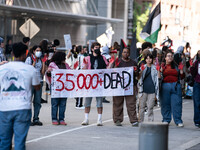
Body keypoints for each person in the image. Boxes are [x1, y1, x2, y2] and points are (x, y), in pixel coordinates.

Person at [0, 42, 40, 150]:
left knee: (4, 142)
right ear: (25, 54)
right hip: (22, 108)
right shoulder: (30, 69)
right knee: (19, 143)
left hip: (4, 108)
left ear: (12, 53)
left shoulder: (2, 69)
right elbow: (37, 86)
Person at [81, 42, 109, 126]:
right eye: (96, 47)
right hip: (89, 83)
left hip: (99, 82)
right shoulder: (87, 58)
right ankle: (86, 119)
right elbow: (83, 69)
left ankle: (99, 119)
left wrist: (111, 64)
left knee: (99, 102)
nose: (97, 49)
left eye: (98, 47)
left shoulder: (103, 58)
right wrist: (85, 65)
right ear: (92, 49)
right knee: (87, 102)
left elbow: (107, 68)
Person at [113, 47, 139, 127]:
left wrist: (136, 71)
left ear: (129, 53)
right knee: (117, 103)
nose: (126, 54)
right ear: (122, 53)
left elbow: (137, 74)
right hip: (119, 86)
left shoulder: (133, 62)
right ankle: (117, 119)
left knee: (131, 104)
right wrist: (115, 67)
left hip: (130, 86)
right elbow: (112, 72)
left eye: (127, 52)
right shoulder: (117, 62)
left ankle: (134, 120)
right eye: (124, 52)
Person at [158, 50, 185, 127]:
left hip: (176, 86)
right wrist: (160, 70)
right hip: (165, 86)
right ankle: (166, 119)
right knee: (165, 104)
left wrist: (181, 70)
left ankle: (178, 120)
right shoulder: (162, 66)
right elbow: (159, 77)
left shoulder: (176, 66)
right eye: (168, 56)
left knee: (177, 104)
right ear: (165, 58)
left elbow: (182, 77)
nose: (170, 57)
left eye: (171, 56)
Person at [46, 51, 70, 125]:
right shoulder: (52, 65)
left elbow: (71, 72)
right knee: (55, 103)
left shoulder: (66, 65)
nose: (65, 58)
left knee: (63, 103)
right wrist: (48, 72)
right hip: (55, 87)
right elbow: (48, 74)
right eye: (64, 57)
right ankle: (54, 119)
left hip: (64, 87)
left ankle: (61, 119)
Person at [25, 45, 46, 126]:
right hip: (30, 82)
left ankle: (36, 118)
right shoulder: (29, 59)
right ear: (33, 51)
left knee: (37, 101)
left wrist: (43, 62)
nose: (38, 52)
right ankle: (28, 118)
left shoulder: (41, 60)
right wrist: (34, 61)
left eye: (40, 50)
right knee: (29, 101)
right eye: (37, 50)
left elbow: (43, 72)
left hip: (39, 81)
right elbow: (28, 70)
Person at [138, 53, 159, 122]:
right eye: (147, 58)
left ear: (152, 59)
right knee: (141, 107)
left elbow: (159, 78)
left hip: (152, 90)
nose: (149, 60)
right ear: (145, 59)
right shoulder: (142, 67)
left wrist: (159, 70)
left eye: (150, 58)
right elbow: (138, 78)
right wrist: (141, 70)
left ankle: (150, 121)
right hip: (143, 90)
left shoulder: (155, 68)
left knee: (150, 107)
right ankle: (140, 121)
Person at [190, 50, 200, 128]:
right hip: (197, 83)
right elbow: (193, 73)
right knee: (197, 102)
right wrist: (191, 67)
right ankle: (197, 121)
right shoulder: (196, 63)